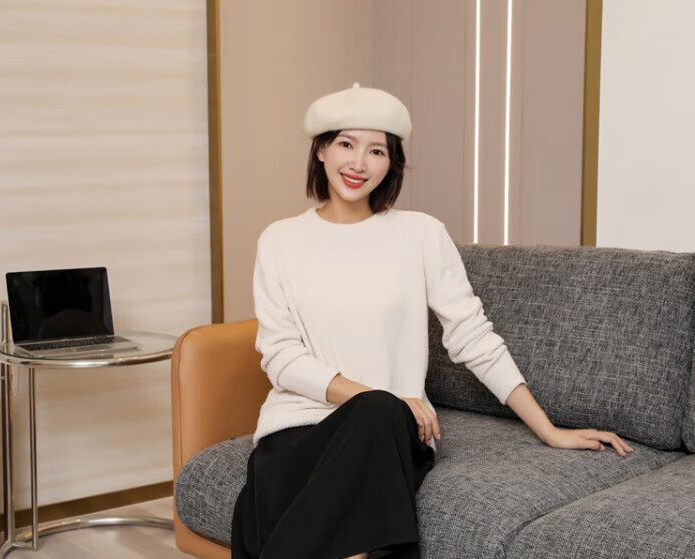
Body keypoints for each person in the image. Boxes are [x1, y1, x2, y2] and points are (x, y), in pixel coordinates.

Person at [230, 83, 634, 559]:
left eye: (376, 150)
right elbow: (281, 357)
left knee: (378, 417)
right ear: (320, 150)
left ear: (391, 162)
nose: (359, 163)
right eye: (346, 144)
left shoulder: (420, 234)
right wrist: (376, 396)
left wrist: (549, 429)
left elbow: (473, 337)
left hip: (392, 431)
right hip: (298, 429)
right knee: (362, 443)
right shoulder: (280, 241)